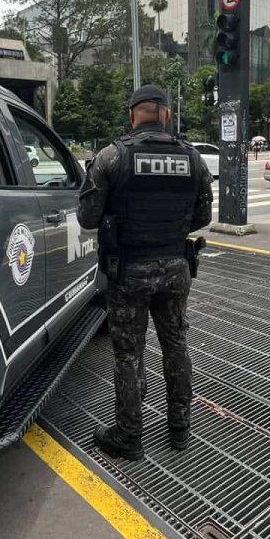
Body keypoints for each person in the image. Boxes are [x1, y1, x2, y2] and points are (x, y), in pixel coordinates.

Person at [77, 84, 214, 460]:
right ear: (166, 114)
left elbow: (87, 218)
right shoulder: (193, 158)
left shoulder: (110, 157)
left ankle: (129, 436)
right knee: (177, 346)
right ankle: (180, 429)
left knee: (128, 354)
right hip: (175, 268)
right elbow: (202, 217)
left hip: (130, 272)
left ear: (132, 114)